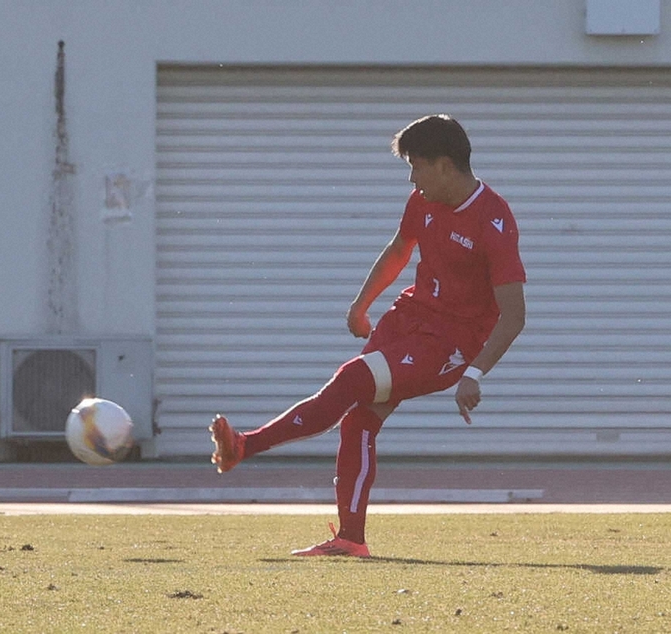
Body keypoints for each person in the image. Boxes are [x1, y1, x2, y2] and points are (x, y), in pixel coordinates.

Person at [210, 115, 526, 556]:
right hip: (408, 318)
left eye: (416, 166)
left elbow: (514, 315)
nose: (412, 178)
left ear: (444, 165)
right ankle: (350, 539)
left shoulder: (494, 219)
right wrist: (362, 304)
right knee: (359, 419)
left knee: (351, 382)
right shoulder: (423, 200)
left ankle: (245, 446)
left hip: (449, 345)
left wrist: (473, 373)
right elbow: (400, 248)